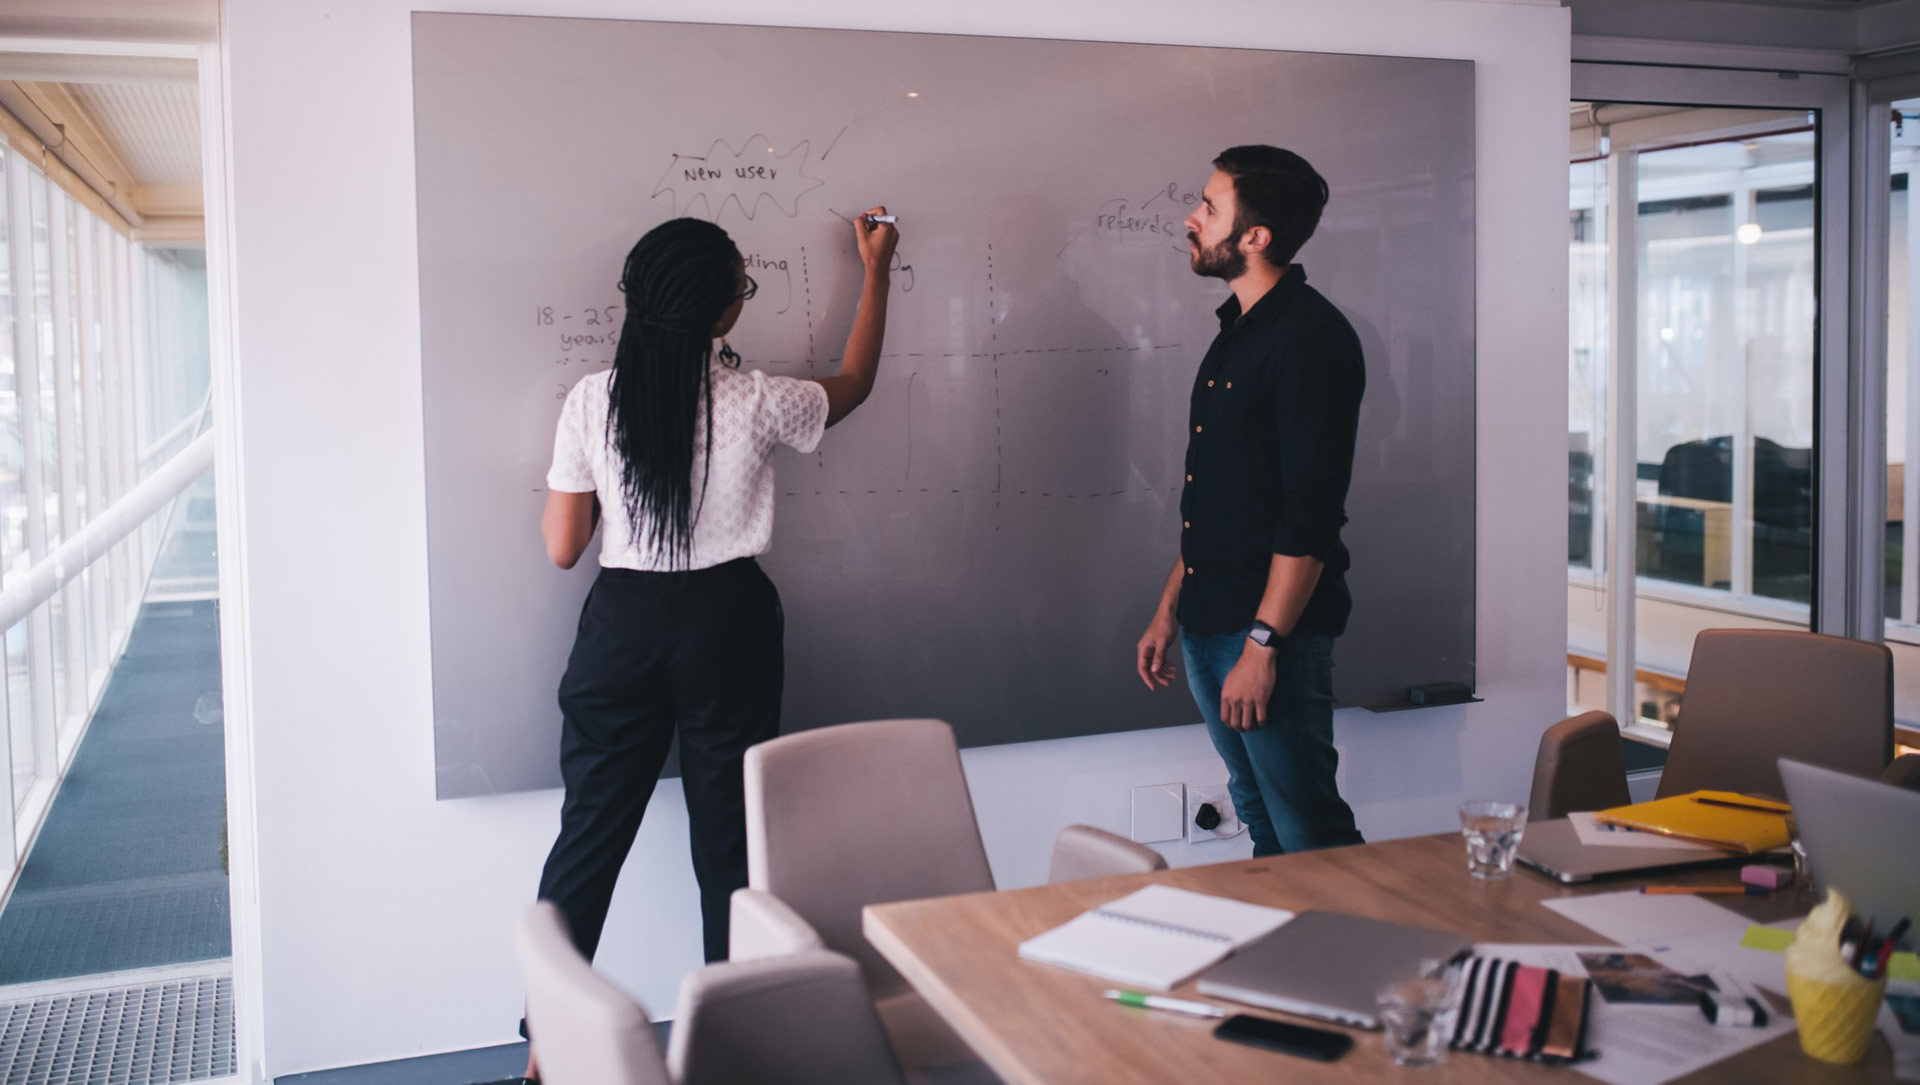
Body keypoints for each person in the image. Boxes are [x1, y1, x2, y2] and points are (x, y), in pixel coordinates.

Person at [533, 209, 897, 973]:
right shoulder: (758, 400)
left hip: (621, 625)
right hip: (728, 623)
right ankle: (735, 1037)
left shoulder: (591, 400)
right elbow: (855, 384)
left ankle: (547, 1046)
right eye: (744, 285)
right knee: (732, 842)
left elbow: (563, 548)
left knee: (589, 834)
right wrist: (877, 270)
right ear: (722, 311)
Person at [1134, 146, 1366, 856]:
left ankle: (1353, 961)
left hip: (1266, 637)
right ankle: (1283, 961)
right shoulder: (1236, 334)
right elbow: (1219, 498)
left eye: (1209, 206)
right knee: (1260, 815)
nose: (1191, 219)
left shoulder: (1311, 339)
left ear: (1255, 236)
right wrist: (1167, 609)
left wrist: (1263, 646)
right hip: (1209, 622)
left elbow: (1310, 515)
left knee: (1309, 831)